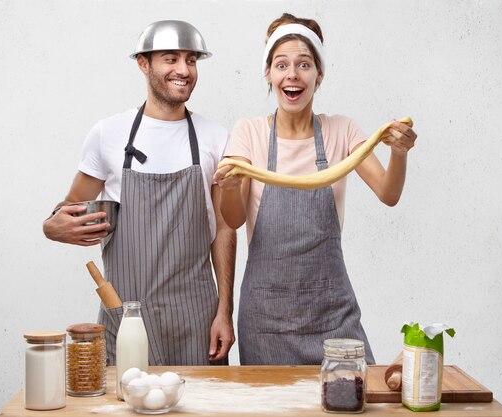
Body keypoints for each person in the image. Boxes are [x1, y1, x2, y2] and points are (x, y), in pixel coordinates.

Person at [214, 13, 417, 365]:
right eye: (281, 65)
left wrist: (398, 153)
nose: (292, 74)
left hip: (333, 318)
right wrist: (231, 187)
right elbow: (232, 219)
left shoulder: (341, 131)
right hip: (266, 323)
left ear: (318, 75)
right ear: (269, 74)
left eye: (304, 65)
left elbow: (388, 193)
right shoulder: (249, 133)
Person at [43, 20, 236, 365]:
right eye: (170, 59)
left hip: (196, 320)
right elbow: (69, 207)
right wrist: (51, 226)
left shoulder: (214, 137)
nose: (183, 70)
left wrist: (225, 312)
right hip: (125, 317)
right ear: (143, 64)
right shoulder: (108, 134)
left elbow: (224, 229)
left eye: (191, 60)